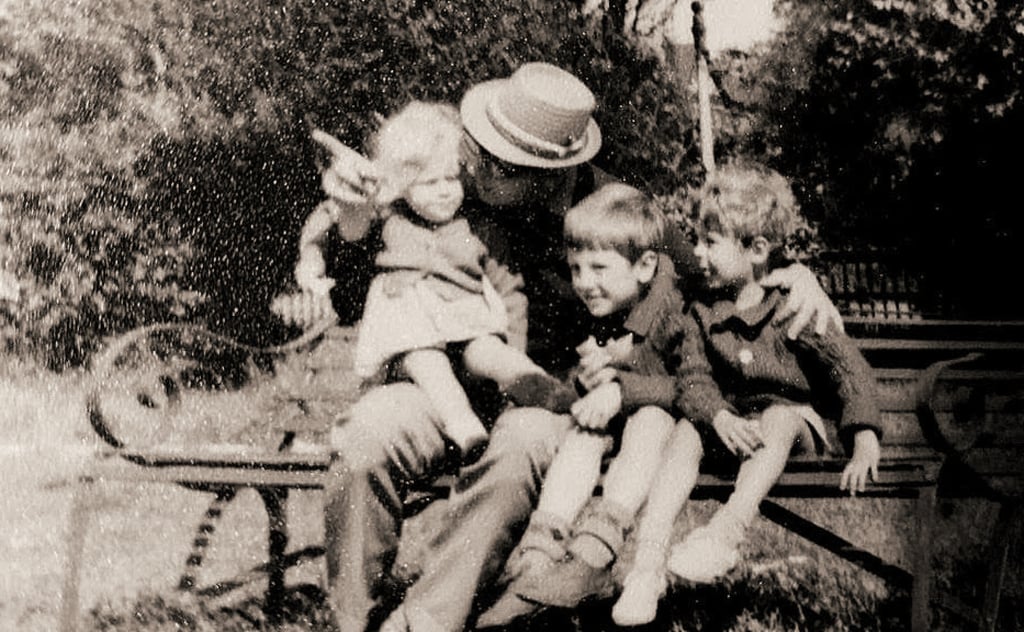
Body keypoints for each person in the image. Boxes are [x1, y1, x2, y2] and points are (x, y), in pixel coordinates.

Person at [281, 62, 844, 632]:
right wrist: (345, 216)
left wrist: (793, 274)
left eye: (493, 163)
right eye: (478, 153)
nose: (473, 171)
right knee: (367, 434)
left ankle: (426, 622)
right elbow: (370, 258)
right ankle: (349, 622)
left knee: (518, 448)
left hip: (551, 399)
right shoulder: (458, 185)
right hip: (442, 379)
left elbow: (711, 280)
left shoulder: (614, 211)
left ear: (545, 173)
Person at [609, 160, 883, 626]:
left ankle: (726, 532)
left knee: (777, 417)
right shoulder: (702, 310)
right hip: (733, 425)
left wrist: (865, 438)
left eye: (710, 242)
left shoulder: (793, 305)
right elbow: (693, 379)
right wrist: (716, 417)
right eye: (697, 240)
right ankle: (647, 566)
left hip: (795, 426)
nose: (698, 253)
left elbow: (847, 369)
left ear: (756, 249)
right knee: (686, 433)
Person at [335, 100, 575, 459]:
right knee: (425, 359)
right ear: (402, 186)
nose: (445, 190)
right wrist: (351, 200)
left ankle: (531, 382)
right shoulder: (387, 223)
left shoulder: (479, 229)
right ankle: (461, 421)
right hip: (409, 332)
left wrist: (514, 351)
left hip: (464, 320)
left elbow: (511, 291)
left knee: (487, 350)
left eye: (451, 178)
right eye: (429, 183)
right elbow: (346, 229)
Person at [491, 183, 690, 613]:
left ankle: (593, 555)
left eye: (598, 268)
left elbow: (693, 388)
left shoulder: (673, 312)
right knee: (584, 433)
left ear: (645, 265)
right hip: (612, 428)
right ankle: (539, 557)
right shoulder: (597, 312)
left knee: (649, 421)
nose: (585, 283)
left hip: (670, 435)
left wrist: (622, 390)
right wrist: (587, 381)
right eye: (576, 269)